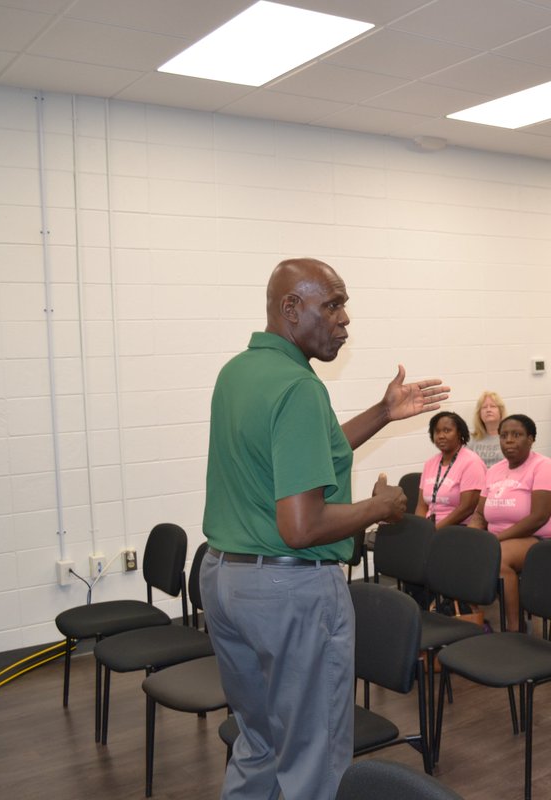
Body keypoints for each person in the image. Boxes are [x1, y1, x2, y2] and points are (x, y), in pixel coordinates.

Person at [200, 258, 447, 799]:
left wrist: (383, 411)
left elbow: (308, 453)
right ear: (291, 308)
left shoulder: (239, 372)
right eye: (332, 305)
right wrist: (380, 508)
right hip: (288, 591)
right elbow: (301, 525)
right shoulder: (297, 388)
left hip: (225, 578)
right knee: (312, 756)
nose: (345, 319)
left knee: (259, 741)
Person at [469, 414, 551, 632]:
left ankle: (515, 628)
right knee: (463, 550)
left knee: (498, 557)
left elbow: (538, 517)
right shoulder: (494, 471)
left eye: (517, 435)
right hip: (500, 539)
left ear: (531, 439)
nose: (509, 441)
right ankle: (472, 619)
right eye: (504, 436)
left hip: (543, 539)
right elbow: (479, 515)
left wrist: (495, 540)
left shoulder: (544, 467)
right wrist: (472, 539)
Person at [415, 411, 486, 527]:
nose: (441, 435)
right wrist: (419, 529)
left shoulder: (472, 462)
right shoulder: (430, 464)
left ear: (459, 434)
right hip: (430, 528)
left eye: (447, 430)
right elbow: (422, 506)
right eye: (437, 431)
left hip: (458, 528)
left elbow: (467, 508)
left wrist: (435, 531)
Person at [470, 390, 507, 468]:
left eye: (493, 406)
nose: (488, 410)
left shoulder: (510, 438)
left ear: (501, 411)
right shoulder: (471, 440)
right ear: (479, 414)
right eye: (484, 407)